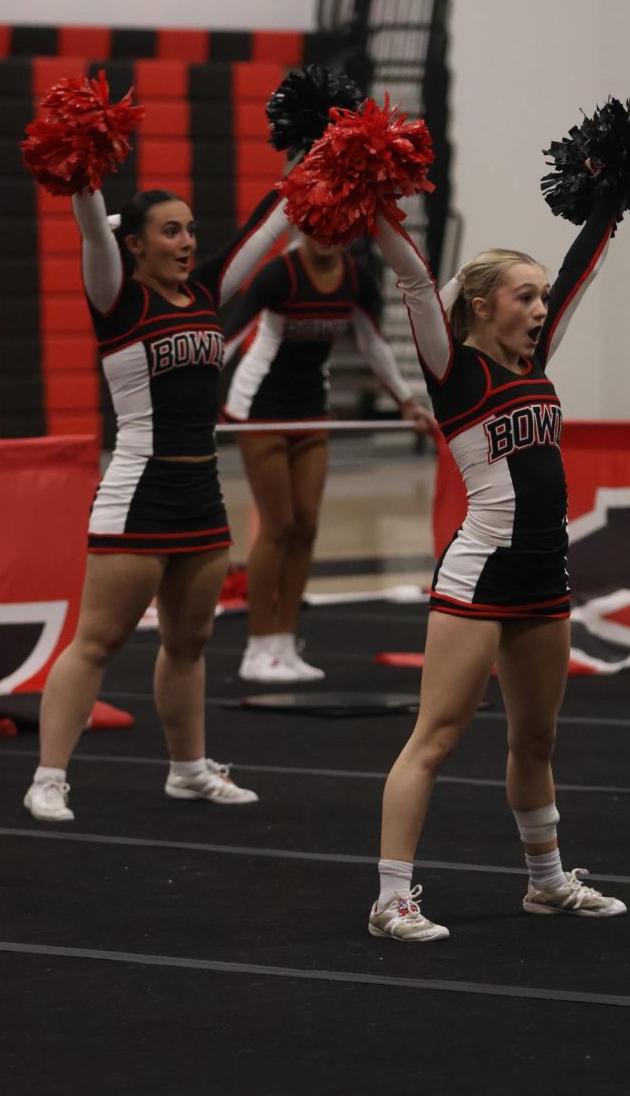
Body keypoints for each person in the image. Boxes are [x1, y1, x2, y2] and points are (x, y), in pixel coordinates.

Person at [363, 175, 628, 939]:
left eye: (542, 296)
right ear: (481, 305)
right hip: (479, 572)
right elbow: (413, 276)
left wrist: (614, 191)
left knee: (535, 739)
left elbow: (583, 267)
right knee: (437, 735)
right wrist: (370, 202)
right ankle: (391, 898)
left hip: (547, 572)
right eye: (524, 296)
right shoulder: (453, 370)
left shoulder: (535, 356)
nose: (540, 308)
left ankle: (545, 882)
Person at [23, 175, 294, 823]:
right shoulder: (116, 299)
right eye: (170, 230)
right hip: (138, 492)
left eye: (191, 229)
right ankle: (48, 776)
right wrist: (84, 170)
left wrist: (316, 157)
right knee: (97, 641)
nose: (186, 241)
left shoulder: (204, 291)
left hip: (200, 490)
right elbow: (91, 225)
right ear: (135, 245)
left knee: (189, 642)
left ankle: (189, 770)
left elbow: (268, 228)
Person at [222, 233, 435, 683]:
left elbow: (372, 342)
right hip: (259, 407)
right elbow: (229, 337)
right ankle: (256, 648)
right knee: (277, 526)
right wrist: (187, 391)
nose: (322, 237)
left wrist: (405, 401)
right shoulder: (280, 274)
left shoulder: (356, 278)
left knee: (306, 526)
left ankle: (284, 642)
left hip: (309, 408)